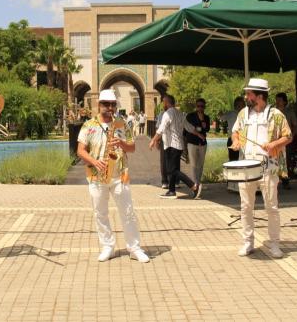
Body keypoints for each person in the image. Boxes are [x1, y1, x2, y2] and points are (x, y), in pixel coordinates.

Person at [76, 89, 150, 263]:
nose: (110, 108)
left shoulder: (122, 124)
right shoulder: (89, 125)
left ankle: (134, 248)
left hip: (120, 176)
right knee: (100, 214)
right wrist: (94, 162)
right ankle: (107, 247)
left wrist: (122, 143)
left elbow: (132, 148)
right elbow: (80, 150)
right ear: (99, 104)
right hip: (97, 176)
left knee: (128, 213)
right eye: (106, 104)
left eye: (113, 105)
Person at [230, 78, 292, 258]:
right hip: (246, 165)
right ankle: (247, 242)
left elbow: (288, 136)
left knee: (271, 207)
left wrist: (274, 144)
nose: (246, 96)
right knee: (245, 206)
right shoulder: (243, 113)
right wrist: (236, 141)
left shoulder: (276, 114)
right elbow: (235, 132)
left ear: (259, 96)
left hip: (268, 166)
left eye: (249, 93)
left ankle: (274, 244)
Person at [149, 94, 204, 199]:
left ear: (167, 103)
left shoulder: (167, 114)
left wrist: (153, 140)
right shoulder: (180, 113)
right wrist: (199, 134)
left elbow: (161, 128)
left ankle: (194, 186)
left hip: (171, 146)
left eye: (164, 102)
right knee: (172, 169)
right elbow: (189, 127)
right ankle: (171, 191)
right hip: (178, 146)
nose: (163, 104)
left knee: (172, 170)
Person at [275, 93, 297, 189]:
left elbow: (295, 125)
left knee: (286, 161)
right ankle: (275, 182)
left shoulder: (289, 112)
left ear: (284, 102)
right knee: (274, 161)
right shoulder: (273, 112)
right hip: (275, 141)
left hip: (286, 140)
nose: (277, 102)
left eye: (279, 100)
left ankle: (285, 181)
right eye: (276, 100)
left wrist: (292, 136)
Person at [185, 98, 210, 186]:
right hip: (192, 143)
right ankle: (194, 184)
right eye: (198, 106)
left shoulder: (206, 117)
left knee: (200, 164)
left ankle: (198, 183)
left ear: (204, 107)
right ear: (196, 106)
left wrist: (202, 120)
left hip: (202, 143)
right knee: (193, 164)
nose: (200, 108)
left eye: (202, 106)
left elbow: (207, 129)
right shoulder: (190, 116)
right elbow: (188, 129)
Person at [224, 97, 245, 162]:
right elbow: (221, 116)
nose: (240, 107)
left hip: (243, 140)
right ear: (235, 106)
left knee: (243, 161)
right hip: (232, 140)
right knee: (233, 161)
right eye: (238, 105)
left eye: (242, 105)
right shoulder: (231, 113)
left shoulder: (247, 114)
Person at [155, 107, 169, 188]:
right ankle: (165, 181)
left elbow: (158, 127)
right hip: (165, 139)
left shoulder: (175, 113)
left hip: (171, 140)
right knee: (164, 160)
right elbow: (158, 127)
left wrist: (155, 140)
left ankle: (171, 181)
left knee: (169, 161)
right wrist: (157, 140)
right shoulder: (162, 114)